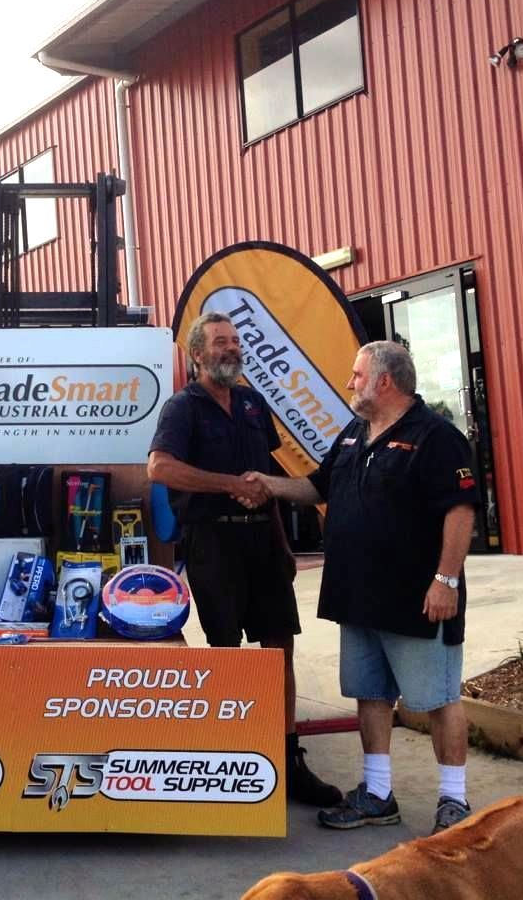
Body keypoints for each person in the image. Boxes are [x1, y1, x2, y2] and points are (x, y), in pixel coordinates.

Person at [245, 340, 479, 833]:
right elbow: (318, 487)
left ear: (385, 381)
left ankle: (454, 801)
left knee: (437, 698)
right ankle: (377, 794)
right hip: (357, 595)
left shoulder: (436, 437)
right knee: (369, 693)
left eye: (356, 374)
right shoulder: (354, 433)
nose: (350, 383)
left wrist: (446, 580)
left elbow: (460, 512)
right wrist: (267, 484)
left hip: (418, 597)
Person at [147, 311, 342, 808]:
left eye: (236, 341)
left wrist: (283, 547)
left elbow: (268, 483)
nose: (232, 349)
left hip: (263, 543)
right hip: (213, 544)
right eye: (219, 342)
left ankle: (288, 758)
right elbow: (160, 467)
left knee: (280, 651)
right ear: (196, 354)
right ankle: (235, 758)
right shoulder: (182, 408)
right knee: (226, 651)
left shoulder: (254, 404)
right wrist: (230, 485)